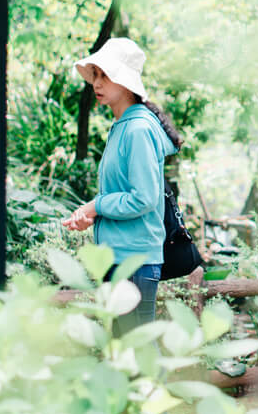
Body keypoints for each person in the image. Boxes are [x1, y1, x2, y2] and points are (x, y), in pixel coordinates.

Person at [63, 37, 176, 334]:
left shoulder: (137, 129)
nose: (96, 84)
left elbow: (144, 199)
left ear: (127, 83)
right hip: (121, 257)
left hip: (134, 261)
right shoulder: (123, 126)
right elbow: (124, 193)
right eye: (95, 75)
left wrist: (96, 205)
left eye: (105, 75)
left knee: (136, 353)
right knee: (127, 355)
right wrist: (94, 214)